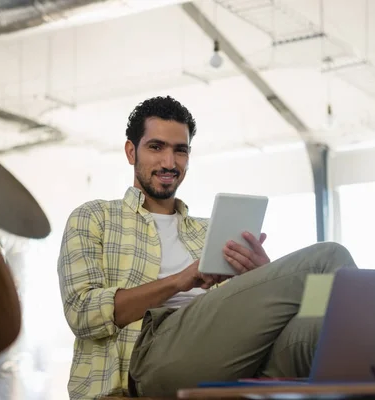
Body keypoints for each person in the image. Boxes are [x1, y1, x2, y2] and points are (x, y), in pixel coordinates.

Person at [57, 96, 358, 399]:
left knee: (321, 331)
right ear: (131, 151)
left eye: (180, 150)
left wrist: (264, 274)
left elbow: (233, 313)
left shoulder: (209, 231)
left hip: (230, 363)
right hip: (148, 362)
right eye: (156, 147)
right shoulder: (96, 217)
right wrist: (179, 281)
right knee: (330, 257)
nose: (169, 162)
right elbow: (83, 314)